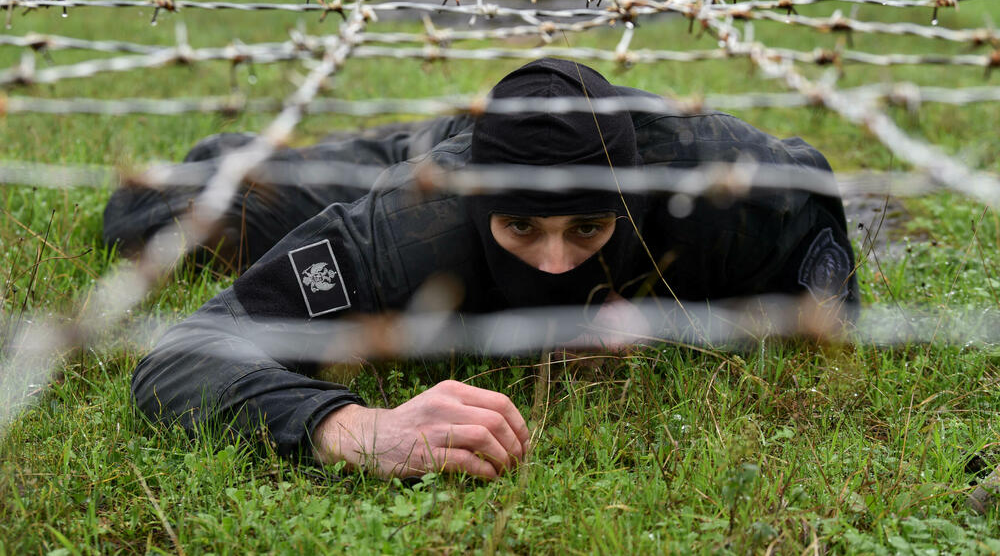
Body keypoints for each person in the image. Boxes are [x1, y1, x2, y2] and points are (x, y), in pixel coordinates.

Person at [119, 58, 857, 480]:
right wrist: (352, 426)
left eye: (589, 229)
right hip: (426, 159)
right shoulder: (409, 223)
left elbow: (822, 251)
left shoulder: (713, 183)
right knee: (174, 215)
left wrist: (674, 317)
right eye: (522, 228)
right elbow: (179, 360)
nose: (556, 259)